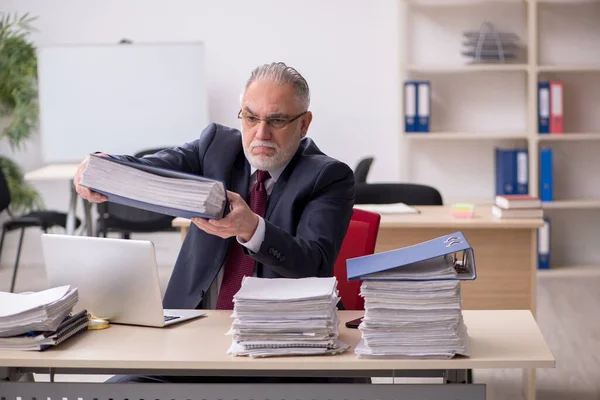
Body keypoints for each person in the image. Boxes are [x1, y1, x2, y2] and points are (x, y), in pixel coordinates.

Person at [73, 62, 355, 313]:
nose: (261, 133)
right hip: (189, 327)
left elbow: (315, 265)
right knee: (125, 375)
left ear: (304, 124)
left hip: (276, 340)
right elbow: (156, 167)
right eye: (250, 117)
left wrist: (252, 229)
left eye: (277, 120)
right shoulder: (216, 147)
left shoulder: (328, 176)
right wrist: (106, 166)